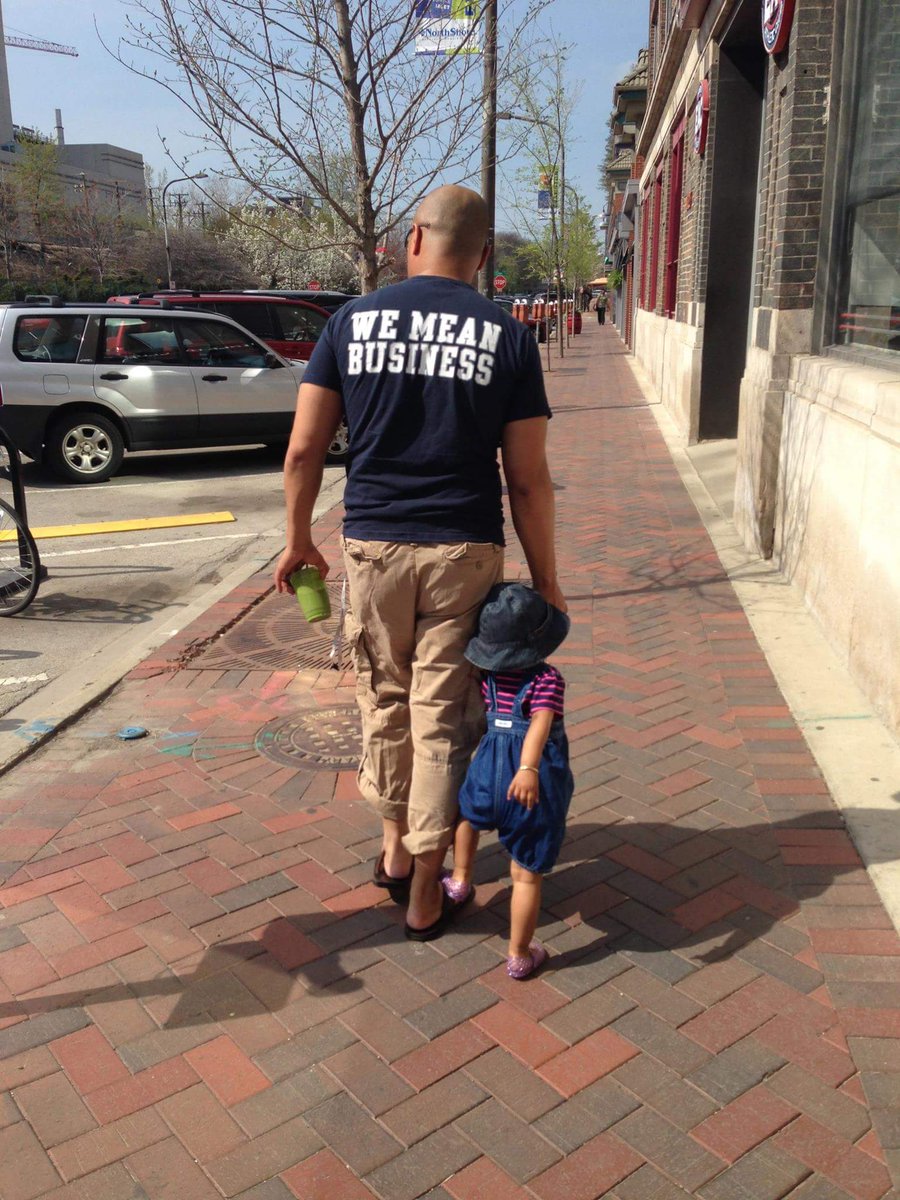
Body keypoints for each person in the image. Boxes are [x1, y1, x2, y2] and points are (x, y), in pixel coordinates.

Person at [274, 184, 565, 941]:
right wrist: (548, 579)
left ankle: (395, 850)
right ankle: (427, 890)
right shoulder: (507, 334)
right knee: (441, 715)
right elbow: (528, 478)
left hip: (374, 545)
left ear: (412, 239)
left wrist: (298, 537)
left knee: (383, 699)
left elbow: (304, 449)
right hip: (464, 551)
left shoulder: (348, 322)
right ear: (485, 257)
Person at [441, 583, 574, 978]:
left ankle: (462, 879)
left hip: (488, 770)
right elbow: (540, 725)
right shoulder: (547, 680)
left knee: (467, 817)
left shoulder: (488, 678)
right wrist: (528, 769)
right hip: (527, 782)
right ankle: (518, 953)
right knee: (525, 872)